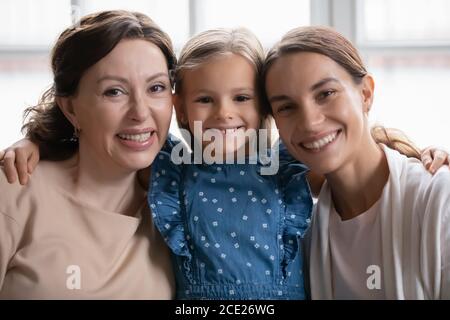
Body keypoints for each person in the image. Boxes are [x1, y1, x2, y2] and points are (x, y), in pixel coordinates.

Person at [2, 26, 448, 301]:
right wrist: (35, 140)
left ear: (264, 111)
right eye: (203, 100)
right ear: (180, 111)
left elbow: (340, 143)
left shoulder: (288, 166)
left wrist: (419, 150)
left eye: (241, 98)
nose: (223, 115)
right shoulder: (170, 166)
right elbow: (114, 140)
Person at [263, 26, 450, 299]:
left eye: (325, 93)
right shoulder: (304, 235)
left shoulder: (438, 199)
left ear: (365, 94)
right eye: (287, 107)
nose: (310, 122)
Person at [0, 10, 176, 299]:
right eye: (114, 92)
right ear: (70, 108)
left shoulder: (179, 201)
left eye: (156, 88)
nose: (141, 113)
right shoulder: (14, 189)